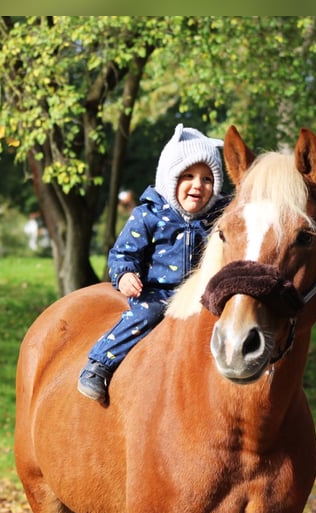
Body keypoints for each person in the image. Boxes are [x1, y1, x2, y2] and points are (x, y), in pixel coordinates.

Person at [78, 124, 228, 404]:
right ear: (170, 179)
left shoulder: (217, 217)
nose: (198, 185)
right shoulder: (149, 214)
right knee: (143, 317)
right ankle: (100, 363)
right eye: (188, 176)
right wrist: (124, 275)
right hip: (159, 294)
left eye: (207, 179)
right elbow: (123, 253)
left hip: (202, 293)